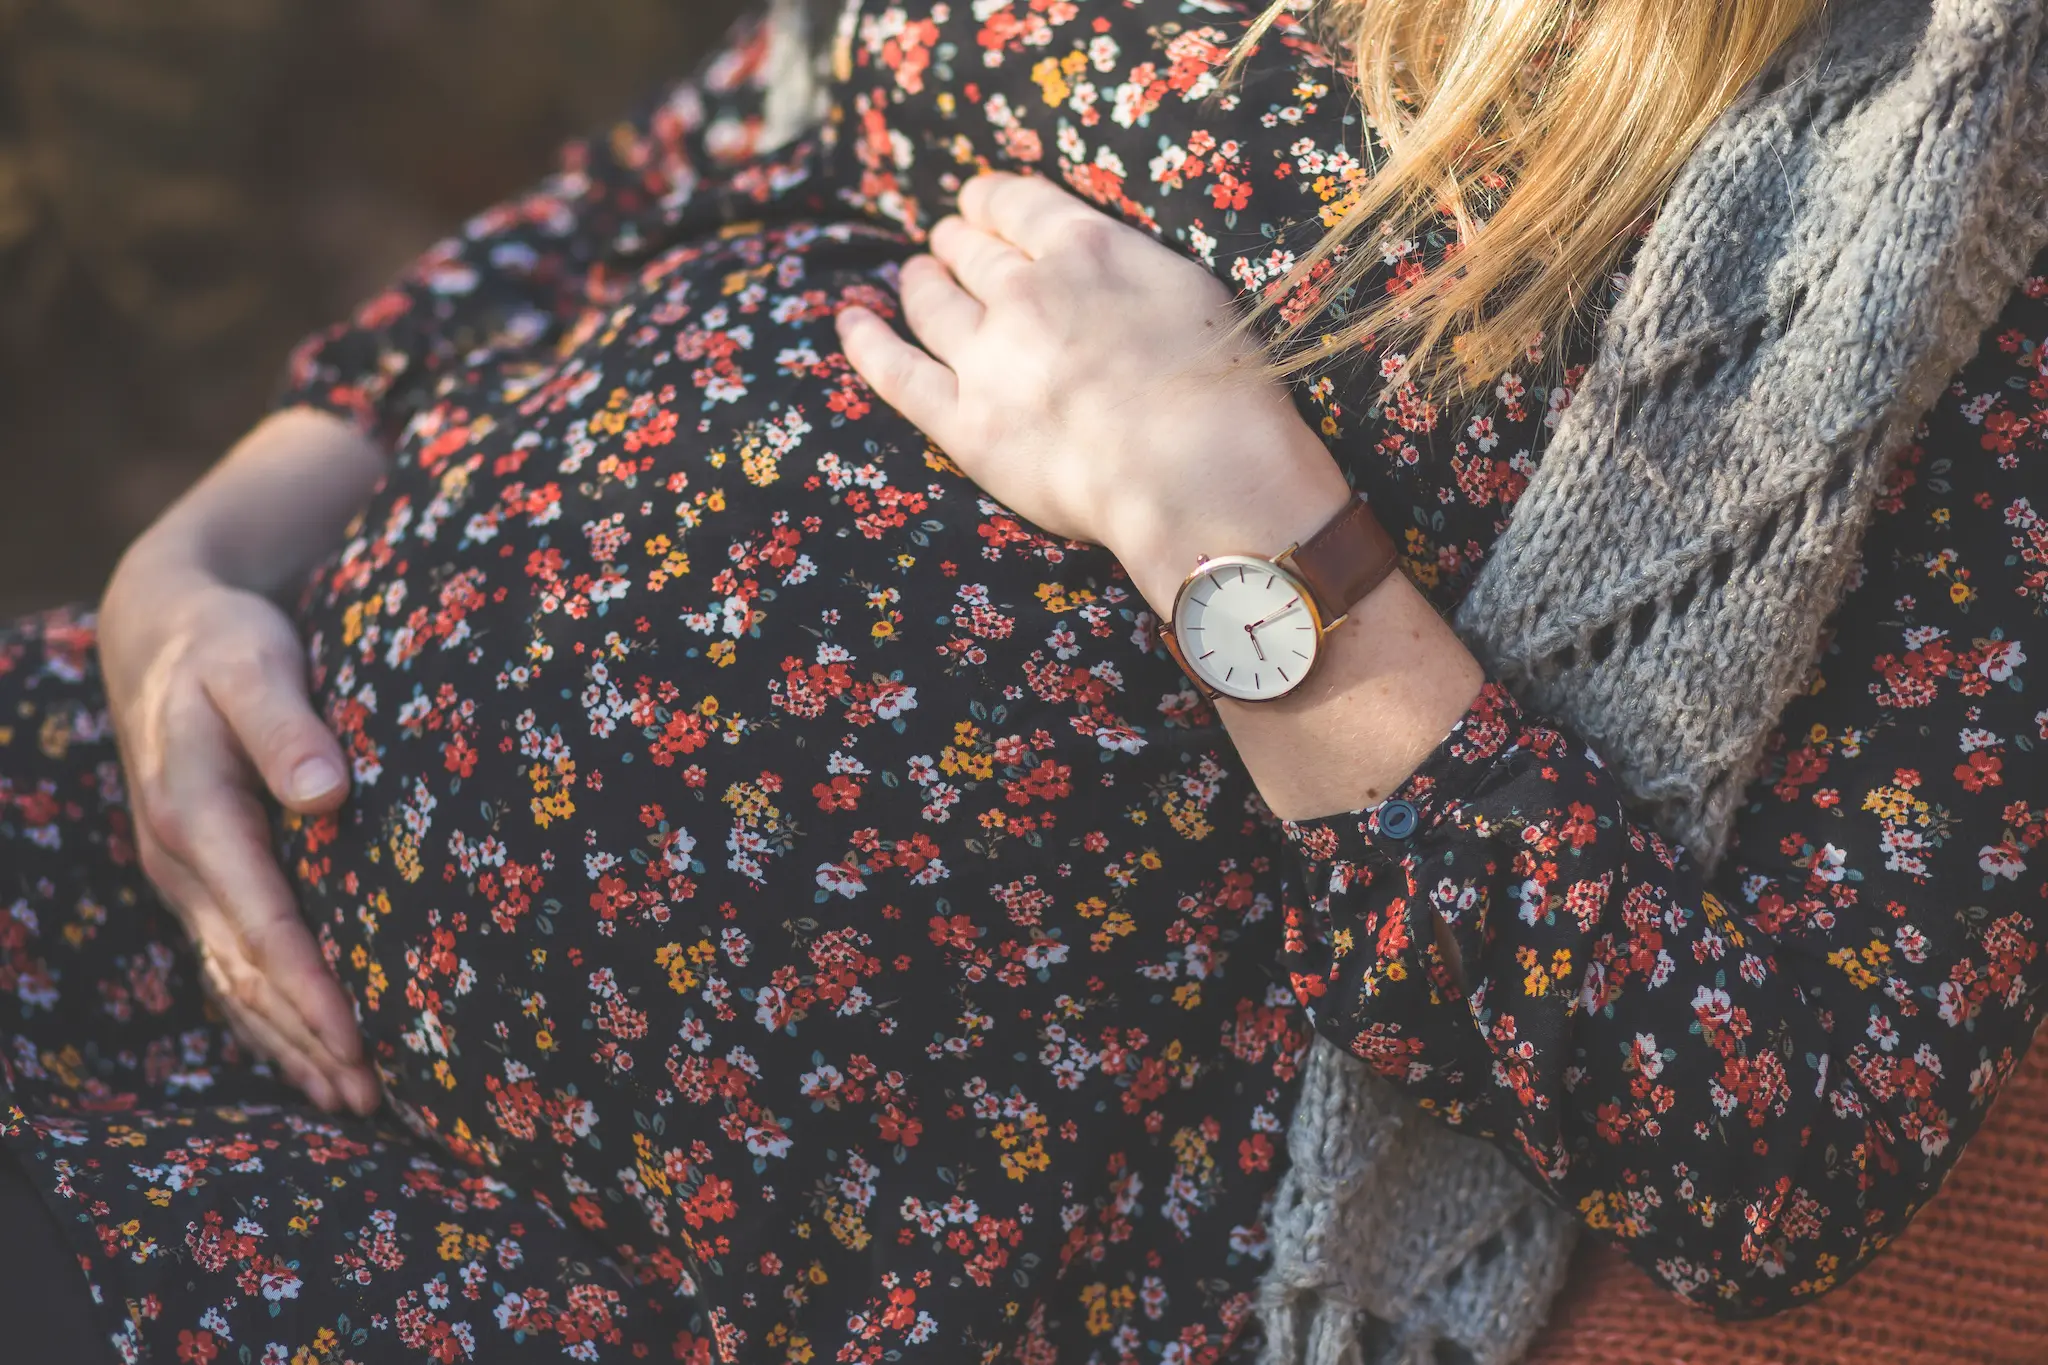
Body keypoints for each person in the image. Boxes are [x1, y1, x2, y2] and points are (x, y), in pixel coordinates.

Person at [2, 0, 2045, 1361]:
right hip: (152, 846)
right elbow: (713, 150)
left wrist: (1232, 520)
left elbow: (1770, 1141)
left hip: (617, 1280)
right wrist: (201, 555)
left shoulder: (1957, 231)